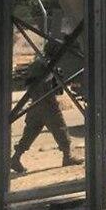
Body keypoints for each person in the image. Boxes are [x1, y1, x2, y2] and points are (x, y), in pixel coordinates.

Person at [10, 35, 82, 175]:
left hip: (36, 102)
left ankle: (15, 158)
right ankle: (67, 156)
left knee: (31, 132)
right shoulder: (45, 63)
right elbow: (44, 82)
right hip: (46, 101)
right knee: (60, 129)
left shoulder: (40, 62)